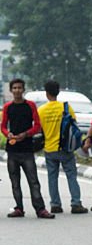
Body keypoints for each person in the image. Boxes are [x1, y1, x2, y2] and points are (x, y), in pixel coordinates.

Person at [1, 77, 54, 219]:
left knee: (33, 181)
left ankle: (40, 209)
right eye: (15, 88)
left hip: (27, 150)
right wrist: (9, 134)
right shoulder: (7, 107)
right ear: (11, 90)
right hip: (12, 151)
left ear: (23, 90)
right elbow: (3, 126)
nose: (17, 90)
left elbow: (37, 125)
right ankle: (19, 207)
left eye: (19, 88)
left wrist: (26, 134)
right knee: (15, 182)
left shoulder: (30, 105)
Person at [37, 80, 88, 214]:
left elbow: (38, 129)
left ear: (46, 93)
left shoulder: (41, 110)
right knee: (71, 175)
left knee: (52, 177)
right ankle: (76, 203)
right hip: (65, 148)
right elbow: (74, 125)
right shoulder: (65, 107)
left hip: (49, 149)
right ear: (58, 92)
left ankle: (55, 204)